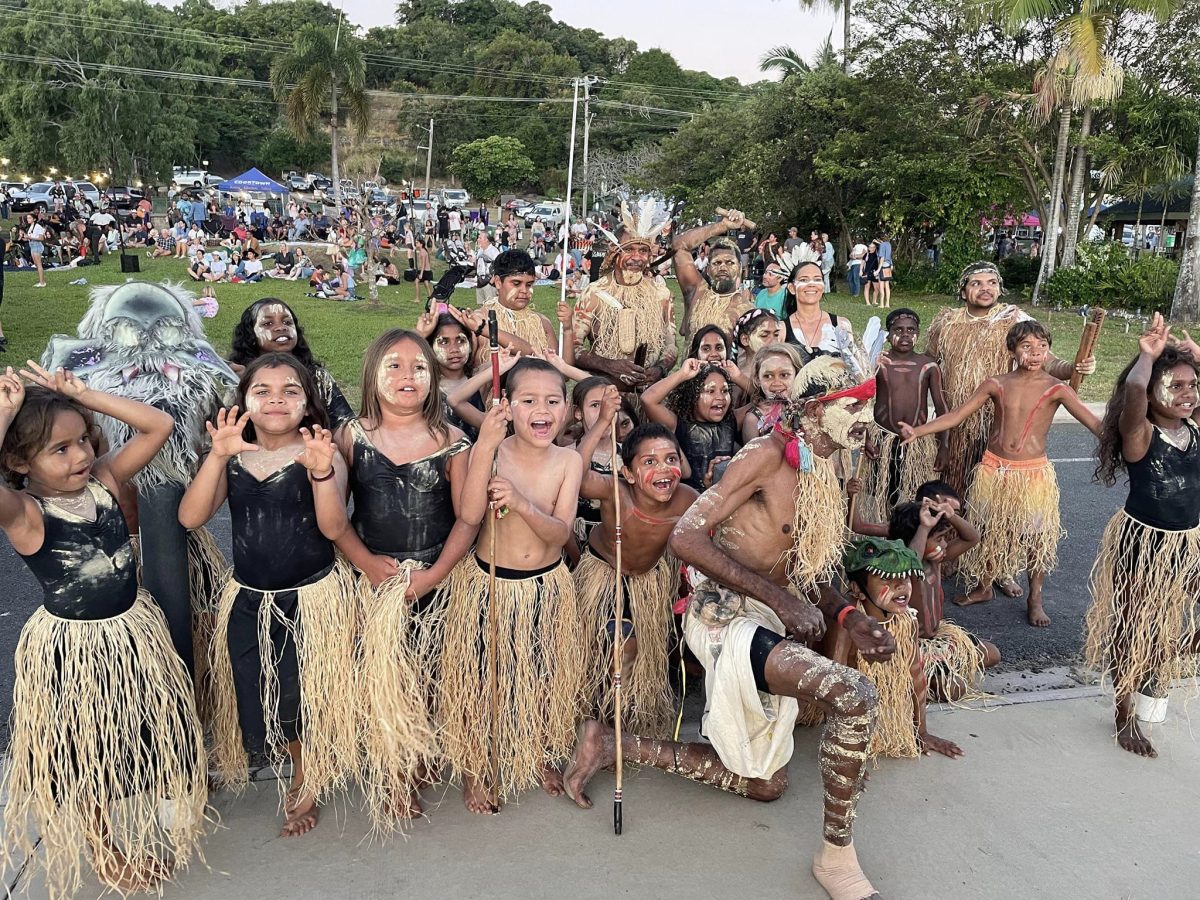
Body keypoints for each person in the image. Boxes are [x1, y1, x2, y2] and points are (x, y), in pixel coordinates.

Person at [565, 376, 892, 900]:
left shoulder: (831, 464)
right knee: (855, 696)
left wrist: (849, 614)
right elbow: (685, 536)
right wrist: (779, 599)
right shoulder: (763, 456)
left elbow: (809, 566)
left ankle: (615, 744)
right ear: (813, 409)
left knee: (766, 785)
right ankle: (837, 859)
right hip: (727, 615)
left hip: (774, 616)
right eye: (854, 407)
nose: (864, 420)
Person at [0, 363, 205, 897]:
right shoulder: (26, 514)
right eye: (59, 450)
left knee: (156, 722)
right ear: (20, 462)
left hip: (132, 635)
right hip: (74, 649)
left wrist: (82, 393)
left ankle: (167, 790)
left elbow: (157, 425)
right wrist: (2, 414)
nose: (81, 456)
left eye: (83, 441)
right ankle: (104, 847)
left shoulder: (107, 481)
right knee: (83, 751)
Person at [179, 355, 358, 838]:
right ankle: (293, 751)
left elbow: (334, 527)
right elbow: (191, 517)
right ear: (243, 403)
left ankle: (305, 772)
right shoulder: (233, 456)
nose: (276, 397)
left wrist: (322, 473)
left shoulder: (321, 453)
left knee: (300, 690)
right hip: (251, 598)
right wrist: (216, 456)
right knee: (257, 690)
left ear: (307, 403)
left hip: (310, 599)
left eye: (290, 390)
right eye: (262, 390)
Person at [322, 330, 473, 830]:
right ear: (371, 374)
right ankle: (398, 768)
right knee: (388, 678)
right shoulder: (351, 436)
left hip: (437, 574)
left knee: (433, 673)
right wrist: (365, 562)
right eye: (394, 365)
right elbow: (335, 519)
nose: (408, 376)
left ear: (434, 378)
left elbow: (467, 520)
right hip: (374, 579)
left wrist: (433, 576)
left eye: (419, 367)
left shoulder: (452, 442)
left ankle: (429, 748)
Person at [434, 357, 584, 814]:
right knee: (481, 681)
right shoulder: (492, 450)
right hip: (490, 588)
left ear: (567, 410)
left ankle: (537, 752)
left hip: (546, 587)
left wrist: (519, 503)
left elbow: (561, 534)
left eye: (553, 401)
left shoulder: (568, 461)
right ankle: (475, 768)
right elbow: (468, 514)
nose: (542, 410)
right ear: (506, 406)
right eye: (529, 400)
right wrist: (484, 448)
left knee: (541, 677)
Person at [900, 320, 1102, 626]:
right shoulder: (996, 383)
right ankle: (984, 585)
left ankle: (1035, 596)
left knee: (1038, 537)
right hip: (994, 469)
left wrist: (1125, 443)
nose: (1035, 353)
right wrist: (918, 431)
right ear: (1012, 350)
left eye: (1042, 347)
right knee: (991, 531)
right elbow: (956, 415)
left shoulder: (1057, 388)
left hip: (1034, 476)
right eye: (1027, 347)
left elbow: (1094, 423)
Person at [1085, 315, 1200, 758]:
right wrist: (1147, 360)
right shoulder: (1142, 435)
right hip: (1144, 542)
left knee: (1156, 636)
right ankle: (1124, 716)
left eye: (1193, 384)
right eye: (1175, 385)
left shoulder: (1192, 429)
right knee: (1132, 630)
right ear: (1153, 392)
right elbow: (1134, 393)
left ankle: (1165, 649)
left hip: (1188, 542)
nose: (1187, 393)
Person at [574, 390, 698, 737]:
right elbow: (576, 475)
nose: (663, 469)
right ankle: (593, 713)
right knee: (608, 646)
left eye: (670, 459)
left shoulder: (689, 499)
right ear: (627, 473)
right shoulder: (614, 490)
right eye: (649, 462)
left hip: (648, 580)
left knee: (636, 651)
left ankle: (624, 718)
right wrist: (600, 424)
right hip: (603, 575)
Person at [924, 261, 1095, 499]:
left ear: (1000, 288)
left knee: (995, 497)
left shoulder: (1013, 319)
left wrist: (1075, 368)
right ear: (963, 291)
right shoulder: (946, 323)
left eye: (992, 283)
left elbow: (1050, 363)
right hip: (957, 424)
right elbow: (926, 365)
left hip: (999, 423)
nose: (986, 288)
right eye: (977, 283)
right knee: (955, 492)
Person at [831, 537, 963, 759]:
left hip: (877, 698)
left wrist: (922, 732)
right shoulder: (847, 625)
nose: (902, 586)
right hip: (847, 700)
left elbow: (915, 675)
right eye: (887, 579)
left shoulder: (907, 620)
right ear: (857, 589)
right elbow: (833, 686)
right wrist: (845, 752)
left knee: (954, 686)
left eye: (905, 579)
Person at [886, 494, 997, 702]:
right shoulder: (903, 572)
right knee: (955, 689)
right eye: (939, 539)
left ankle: (941, 669)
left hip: (938, 639)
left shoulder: (936, 560)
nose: (945, 544)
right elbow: (911, 562)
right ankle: (916, 681)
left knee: (992, 654)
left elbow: (972, 538)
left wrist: (951, 516)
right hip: (914, 648)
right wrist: (924, 528)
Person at [574, 199, 677, 392]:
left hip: (648, 397)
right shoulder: (594, 293)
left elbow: (671, 344)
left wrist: (659, 370)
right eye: (629, 249)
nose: (637, 257)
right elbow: (573, 349)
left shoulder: (661, 294)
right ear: (614, 252)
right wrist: (608, 365)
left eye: (643, 250)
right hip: (605, 394)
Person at [858, 309, 948, 525]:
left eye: (911, 330)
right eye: (898, 330)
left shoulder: (928, 365)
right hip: (883, 439)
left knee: (914, 493)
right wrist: (866, 438)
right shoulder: (878, 363)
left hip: (916, 442)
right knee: (884, 491)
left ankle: (910, 536)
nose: (905, 335)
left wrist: (944, 445)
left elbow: (942, 407)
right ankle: (885, 532)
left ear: (918, 333)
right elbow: (863, 404)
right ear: (887, 334)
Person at [228, 299, 355, 432]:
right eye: (268, 323)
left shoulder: (318, 377)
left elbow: (344, 425)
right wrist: (242, 383)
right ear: (251, 335)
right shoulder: (239, 377)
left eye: (287, 322)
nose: (281, 327)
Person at [642, 358, 737, 491]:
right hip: (688, 500)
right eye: (710, 391)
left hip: (726, 497)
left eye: (725, 390)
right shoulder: (677, 424)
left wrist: (737, 376)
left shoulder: (732, 420)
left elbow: (764, 401)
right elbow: (647, 400)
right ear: (693, 395)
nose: (720, 397)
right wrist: (682, 374)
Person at [673, 209, 754, 338]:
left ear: (739, 268)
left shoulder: (747, 311)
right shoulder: (696, 292)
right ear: (708, 269)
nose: (723, 267)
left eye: (729, 262)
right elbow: (678, 245)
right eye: (717, 263)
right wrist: (722, 226)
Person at [778, 247, 855, 369]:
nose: (811, 284)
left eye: (817, 279)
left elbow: (855, 368)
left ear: (823, 286)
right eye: (804, 280)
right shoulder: (781, 330)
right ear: (792, 288)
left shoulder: (841, 324)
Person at [740, 342, 803, 444]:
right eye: (768, 376)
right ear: (757, 380)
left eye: (784, 375)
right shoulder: (754, 419)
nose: (776, 383)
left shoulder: (808, 409)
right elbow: (752, 457)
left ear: (797, 375)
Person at [474, 231, 499, 305]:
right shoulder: (480, 251)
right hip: (479, 284)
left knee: (490, 309)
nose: (478, 239)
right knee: (482, 309)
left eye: (480, 238)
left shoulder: (494, 251)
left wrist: (491, 283)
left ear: (486, 239)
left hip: (489, 284)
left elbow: (498, 268)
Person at [26, 213, 47, 288]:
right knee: (36, 264)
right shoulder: (30, 227)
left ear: (34, 219)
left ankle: (42, 282)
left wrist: (30, 237)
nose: (28, 219)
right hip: (32, 245)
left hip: (36, 245)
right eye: (27, 218)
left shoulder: (38, 227)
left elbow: (41, 238)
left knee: (39, 264)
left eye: (29, 218)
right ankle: (41, 281)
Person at [413, 240, 433, 304]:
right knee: (426, 284)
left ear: (421, 244)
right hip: (426, 270)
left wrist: (421, 273)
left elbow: (423, 263)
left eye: (417, 243)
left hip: (424, 270)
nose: (416, 244)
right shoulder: (423, 251)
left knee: (416, 282)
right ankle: (431, 299)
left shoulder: (423, 252)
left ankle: (417, 298)